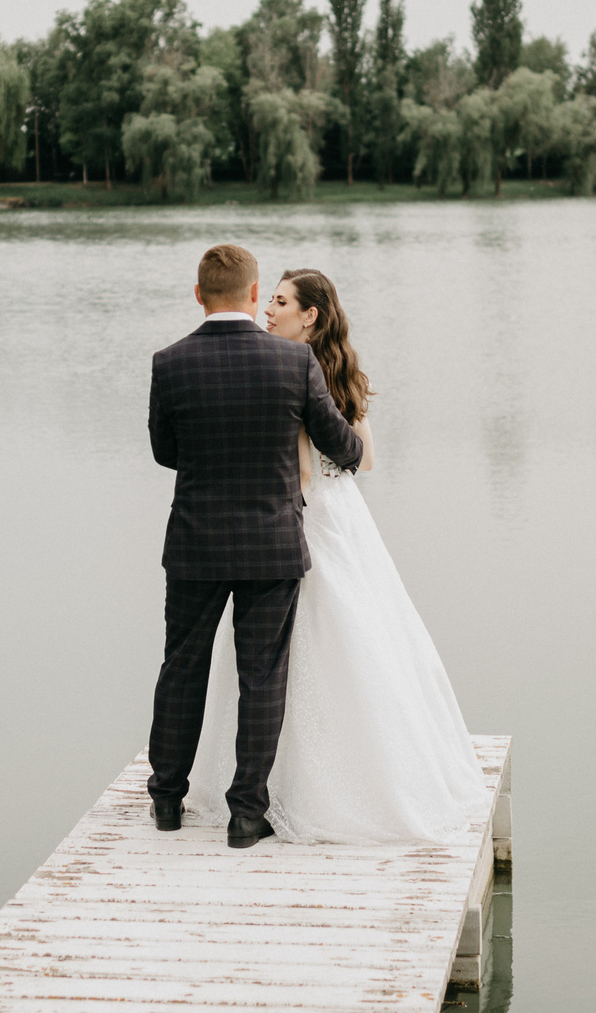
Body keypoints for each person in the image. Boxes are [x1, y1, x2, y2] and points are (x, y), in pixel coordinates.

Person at [178, 267, 492, 845]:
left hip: (297, 519)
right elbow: (365, 459)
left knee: (282, 657)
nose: (267, 311)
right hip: (340, 518)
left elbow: (302, 468)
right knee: (345, 646)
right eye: (267, 300)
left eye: (279, 302)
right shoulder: (334, 368)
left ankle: (285, 790)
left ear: (310, 315)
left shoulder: (288, 371)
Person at [146, 243, 364, 848]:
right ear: (251, 293)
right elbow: (342, 447)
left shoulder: (170, 362)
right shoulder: (294, 364)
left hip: (195, 543)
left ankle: (167, 799)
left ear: (198, 295)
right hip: (271, 541)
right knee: (262, 676)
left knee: (181, 666)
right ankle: (247, 814)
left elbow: (167, 452)